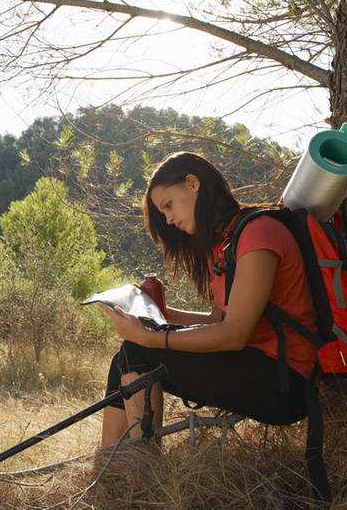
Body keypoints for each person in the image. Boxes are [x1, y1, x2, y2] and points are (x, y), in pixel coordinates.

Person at [100, 151, 318, 446]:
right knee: (125, 358)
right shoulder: (223, 243)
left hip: (284, 382)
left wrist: (151, 338)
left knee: (139, 351)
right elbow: (219, 321)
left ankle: (140, 473)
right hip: (254, 365)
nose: (169, 218)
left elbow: (234, 334)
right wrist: (162, 313)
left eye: (168, 205)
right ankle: (112, 467)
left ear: (192, 183)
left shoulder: (258, 233)